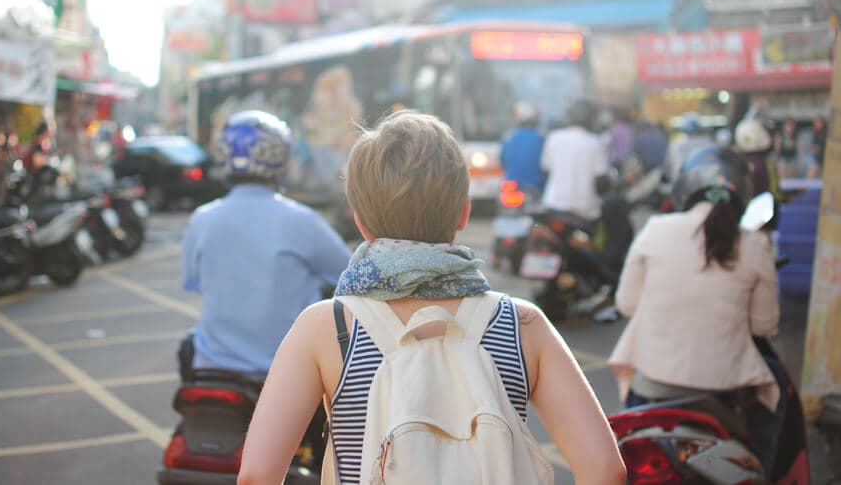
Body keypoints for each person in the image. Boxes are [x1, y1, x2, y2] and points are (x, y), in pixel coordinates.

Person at [237, 110, 626, 485]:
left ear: (361, 222)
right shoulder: (522, 325)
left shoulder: (326, 327)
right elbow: (605, 470)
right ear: (464, 213)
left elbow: (257, 476)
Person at [608, 145, 780, 463]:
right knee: (762, 453)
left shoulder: (656, 229)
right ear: (743, 192)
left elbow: (627, 304)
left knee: (627, 462)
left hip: (651, 388)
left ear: (685, 187)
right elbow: (764, 325)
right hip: (723, 393)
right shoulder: (756, 244)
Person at [179, 110, 352, 379]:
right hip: (285, 373)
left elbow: (193, 282)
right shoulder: (301, 220)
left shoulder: (202, 219)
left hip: (212, 369)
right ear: (281, 159)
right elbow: (348, 275)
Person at [540, 99, 609, 222]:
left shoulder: (553, 138)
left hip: (554, 205)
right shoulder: (594, 142)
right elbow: (601, 180)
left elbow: (546, 170)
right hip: (585, 211)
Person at [500, 102, 545, 200]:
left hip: (511, 185)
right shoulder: (541, 137)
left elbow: (503, 161)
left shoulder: (509, 137)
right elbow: (545, 165)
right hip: (535, 186)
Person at [665, 113, 713, 182]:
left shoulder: (676, 144)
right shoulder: (707, 142)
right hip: (698, 183)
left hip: (685, 184)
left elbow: (668, 169)